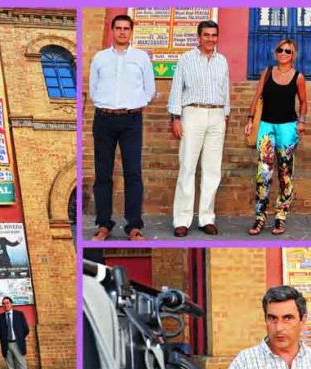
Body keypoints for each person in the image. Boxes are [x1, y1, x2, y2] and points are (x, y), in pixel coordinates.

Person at [89, 14, 156, 241]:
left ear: (131, 31)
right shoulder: (100, 58)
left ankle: (134, 227)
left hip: (131, 120)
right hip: (104, 119)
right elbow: (93, 88)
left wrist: (133, 106)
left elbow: (150, 90)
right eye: (118, 28)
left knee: (133, 173)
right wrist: (107, 105)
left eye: (126, 28)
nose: (122, 32)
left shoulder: (141, 58)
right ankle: (103, 225)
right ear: (112, 30)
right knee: (103, 174)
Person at [168, 20, 230, 237]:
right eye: (206, 35)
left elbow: (225, 89)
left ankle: (206, 218)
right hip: (192, 113)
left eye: (214, 35)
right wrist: (175, 118)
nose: (210, 39)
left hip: (217, 115)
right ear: (199, 37)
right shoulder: (186, 59)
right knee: (187, 166)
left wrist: (226, 115)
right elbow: (176, 89)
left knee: (212, 170)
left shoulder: (222, 61)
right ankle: (182, 219)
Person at [244, 39, 307, 236]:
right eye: (280, 50)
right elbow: (258, 95)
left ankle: (280, 217)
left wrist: (302, 121)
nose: (283, 53)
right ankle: (260, 217)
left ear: (293, 55)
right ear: (275, 52)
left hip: (288, 128)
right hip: (266, 127)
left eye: (288, 51)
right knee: (263, 173)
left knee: (285, 174)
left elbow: (304, 102)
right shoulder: (268, 72)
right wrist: (250, 119)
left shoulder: (298, 77)